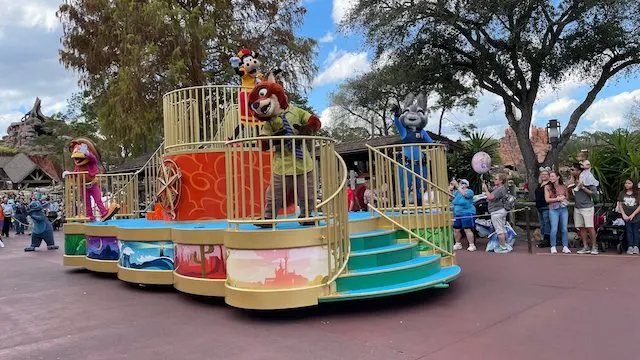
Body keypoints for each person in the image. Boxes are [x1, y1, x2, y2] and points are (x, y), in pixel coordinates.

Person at [570, 162, 599, 254]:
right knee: (581, 227)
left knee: (590, 227)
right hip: (577, 207)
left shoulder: (588, 179)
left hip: (587, 207)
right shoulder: (574, 180)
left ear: (579, 171)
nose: (571, 171)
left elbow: (594, 193)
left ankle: (594, 247)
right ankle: (585, 246)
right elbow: (571, 194)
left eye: (573, 170)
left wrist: (583, 187)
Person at [483, 173, 510, 253]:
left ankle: (503, 246)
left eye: (496, 179)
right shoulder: (501, 188)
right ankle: (506, 244)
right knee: (503, 228)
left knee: (499, 230)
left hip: (497, 211)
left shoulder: (500, 189)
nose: (494, 180)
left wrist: (486, 190)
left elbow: (491, 197)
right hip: (501, 210)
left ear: (501, 180)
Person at [545, 171, 571, 254]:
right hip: (553, 209)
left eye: (553, 176)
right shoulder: (547, 187)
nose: (551, 178)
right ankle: (553, 246)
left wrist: (563, 197)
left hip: (563, 209)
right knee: (554, 228)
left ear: (558, 177)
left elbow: (567, 197)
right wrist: (557, 199)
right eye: (550, 176)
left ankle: (565, 246)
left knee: (564, 228)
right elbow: (547, 199)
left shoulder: (563, 186)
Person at [450, 179, 476, 251]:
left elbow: (465, 194)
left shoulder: (470, 191)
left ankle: (471, 245)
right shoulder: (457, 192)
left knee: (467, 229)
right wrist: (451, 189)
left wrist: (457, 186)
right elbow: (450, 198)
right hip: (457, 213)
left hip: (467, 212)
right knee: (456, 229)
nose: (461, 184)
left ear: (467, 185)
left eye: (463, 183)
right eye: (460, 183)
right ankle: (458, 243)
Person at [617, 179, 640, 255]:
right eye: (626, 183)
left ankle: (636, 246)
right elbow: (620, 204)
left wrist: (633, 214)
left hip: (636, 216)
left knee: (635, 231)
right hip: (626, 215)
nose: (626, 184)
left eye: (629, 183)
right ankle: (630, 246)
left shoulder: (637, 193)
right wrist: (623, 214)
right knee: (629, 231)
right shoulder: (622, 193)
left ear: (633, 184)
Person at [535, 168, 552, 247]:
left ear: (549, 176)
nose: (543, 176)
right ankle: (543, 238)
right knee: (542, 224)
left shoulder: (549, 185)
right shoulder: (539, 184)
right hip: (539, 207)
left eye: (545, 174)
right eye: (542, 174)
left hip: (546, 206)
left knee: (547, 223)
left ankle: (547, 240)